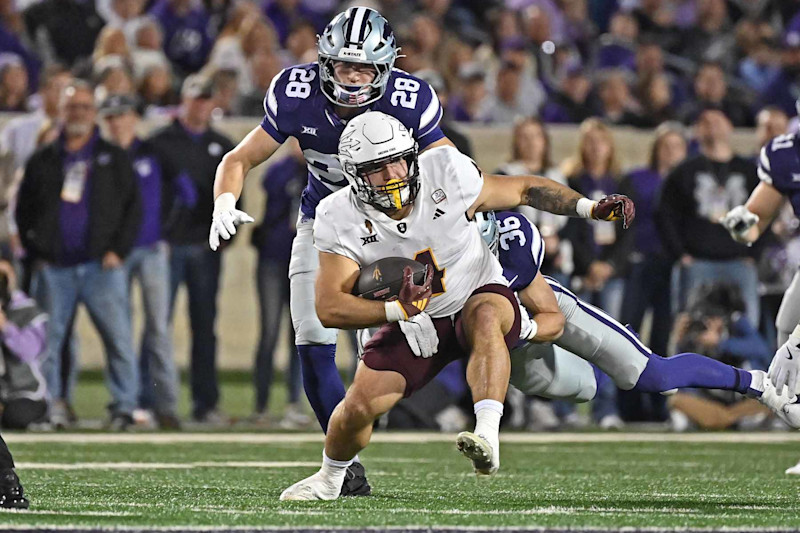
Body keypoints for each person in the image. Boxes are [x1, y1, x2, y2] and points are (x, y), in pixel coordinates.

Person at [209, 6, 623, 496]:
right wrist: (224, 199)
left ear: (386, 69)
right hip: (332, 223)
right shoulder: (296, 93)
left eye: (365, 68)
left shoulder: (410, 99)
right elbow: (240, 157)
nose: (353, 77)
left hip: (398, 228)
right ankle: (344, 469)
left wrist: (468, 216)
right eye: (344, 66)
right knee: (312, 332)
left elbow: (445, 169)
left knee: (450, 319)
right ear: (324, 63)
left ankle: (443, 385)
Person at [279, 110, 632, 501]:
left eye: (398, 159)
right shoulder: (337, 215)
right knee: (360, 406)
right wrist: (398, 312)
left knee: (486, 316)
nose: (393, 173)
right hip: (415, 319)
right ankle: (330, 478)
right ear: (353, 175)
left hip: (474, 292)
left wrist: (588, 208)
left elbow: (526, 189)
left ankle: (487, 433)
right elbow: (329, 308)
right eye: (377, 168)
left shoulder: (446, 170)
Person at [473, 210, 799, 433]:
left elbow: (551, 318)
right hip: (518, 350)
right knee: (582, 388)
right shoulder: (439, 258)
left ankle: (755, 383)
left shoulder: (510, 236)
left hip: (546, 312)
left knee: (653, 374)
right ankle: (606, 359)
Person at [15, 80, 142, 430]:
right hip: (55, 268)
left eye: (85, 107)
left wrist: (118, 250)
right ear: (61, 110)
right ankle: (51, 405)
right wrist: (37, 250)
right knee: (49, 344)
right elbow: (25, 209)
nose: (79, 114)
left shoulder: (113, 156)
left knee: (117, 340)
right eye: (72, 107)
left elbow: (133, 207)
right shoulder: (44, 158)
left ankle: (124, 407)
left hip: (102, 264)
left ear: (94, 113)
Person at [150, 74, 234, 425]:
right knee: (158, 326)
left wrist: (223, 236)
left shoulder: (222, 145)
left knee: (205, 327)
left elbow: (233, 195)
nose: (200, 105)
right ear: (183, 100)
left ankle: (205, 402)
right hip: (166, 248)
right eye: (196, 98)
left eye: (205, 99)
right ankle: (154, 402)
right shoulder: (159, 144)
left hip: (203, 246)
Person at [721, 100, 800, 474]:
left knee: (793, 343)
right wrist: (741, 226)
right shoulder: (787, 152)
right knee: (786, 327)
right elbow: (757, 218)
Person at [98, 93, 180, 429]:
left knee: (158, 328)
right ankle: (126, 403)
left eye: (122, 115)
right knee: (120, 330)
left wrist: (166, 232)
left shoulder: (153, 152)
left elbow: (184, 193)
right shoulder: (102, 156)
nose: (117, 122)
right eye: (111, 117)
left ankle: (166, 404)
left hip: (149, 249)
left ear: (133, 117)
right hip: (116, 252)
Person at [657, 109, 760, 326]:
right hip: (697, 262)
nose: (712, 126)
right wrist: (681, 254)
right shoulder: (684, 171)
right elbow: (665, 215)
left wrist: (755, 254)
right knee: (688, 326)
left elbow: (765, 212)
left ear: (730, 126)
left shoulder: (749, 171)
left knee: (746, 327)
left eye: (717, 120)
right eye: (705, 122)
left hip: (739, 261)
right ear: (696, 131)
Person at [617, 123, 688, 421]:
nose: (670, 151)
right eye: (665, 145)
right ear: (656, 148)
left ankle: (662, 407)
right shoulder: (638, 178)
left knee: (664, 336)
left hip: (674, 264)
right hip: (641, 261)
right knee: (627, 332)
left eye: (676, 146)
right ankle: (627, 407)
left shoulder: (689, 180)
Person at [0, 258, 48, 430]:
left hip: (24, 391)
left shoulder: (28, 311)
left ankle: (42, 416)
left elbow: (29, 352)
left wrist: (6, 327)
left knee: (15, 417)